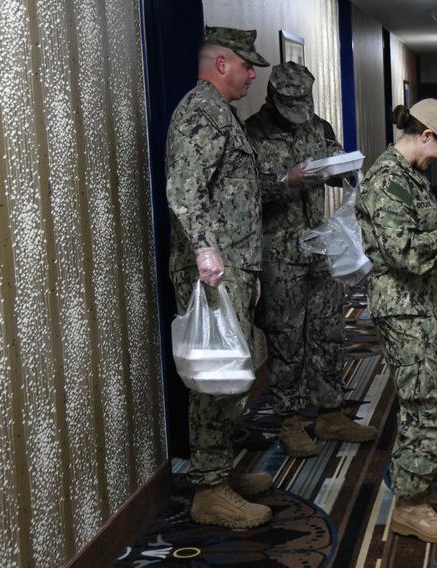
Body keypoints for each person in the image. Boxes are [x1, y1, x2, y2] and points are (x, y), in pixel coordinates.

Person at [355, 99, 437, 544]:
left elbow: (414, 232)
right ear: (425, 135)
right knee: (429, 406)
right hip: (402, 308)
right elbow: (404, 252)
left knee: (425, 398)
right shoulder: (387, 181)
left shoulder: (410, 175)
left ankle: (418, 488)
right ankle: (410, 506)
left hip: (418, 305)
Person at [166, 26, 273, 529]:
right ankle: (209, 490)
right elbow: (186, 187)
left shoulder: (223, 113)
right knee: (214, 379)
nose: (253, 74)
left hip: (232, 266)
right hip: (212, 272)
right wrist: (208, 252)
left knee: (230, 375)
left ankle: (221, 470)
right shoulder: (201, 111)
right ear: (221, 63)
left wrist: (245, 266)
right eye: (247, 64)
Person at [246, 62, 377, 458]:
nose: (298, 113)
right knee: (287, 338)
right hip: (278, 253)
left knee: (327, 329)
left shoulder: (317, 127)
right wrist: (287, 181)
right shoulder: (252, 134)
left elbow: (335, 158)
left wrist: (340, 169)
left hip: (318, 247)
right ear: (272, 99)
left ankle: (330, 412)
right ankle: (290, 420)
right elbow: (245, 194)